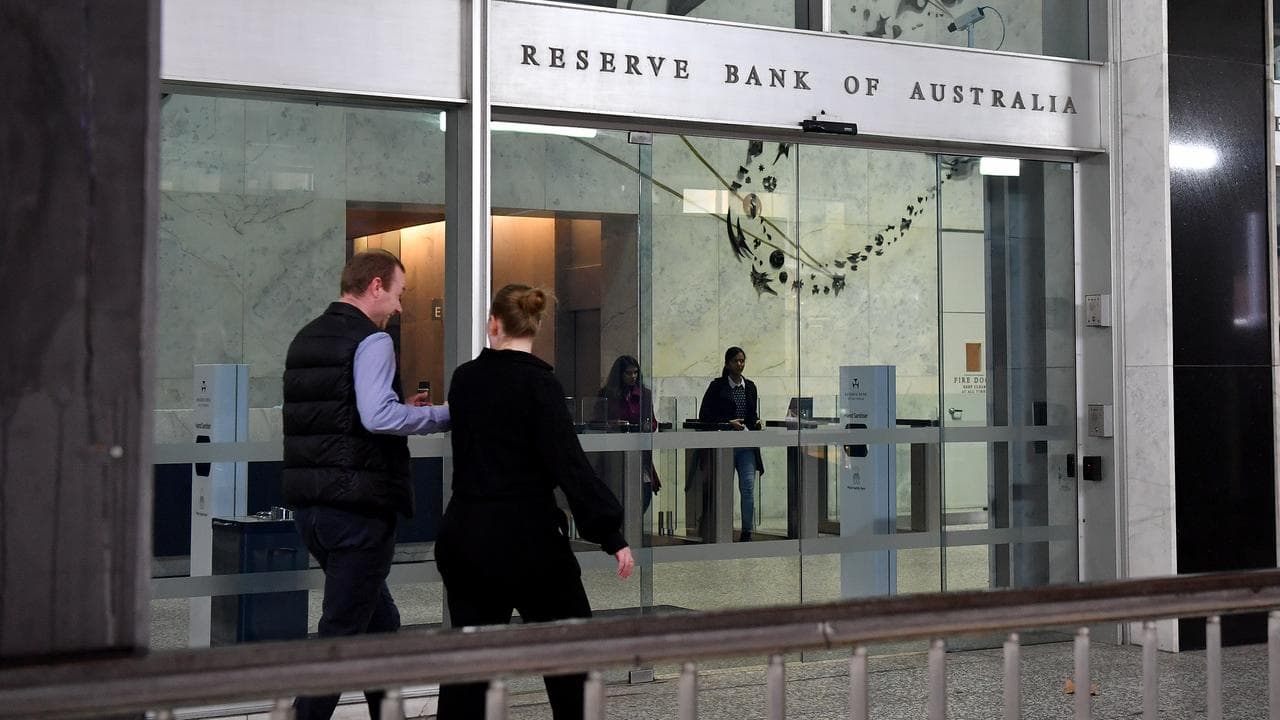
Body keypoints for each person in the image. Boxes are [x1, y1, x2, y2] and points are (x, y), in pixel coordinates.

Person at [437, 284, 634, 720]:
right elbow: (569, 464)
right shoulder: (541, 385)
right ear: (537, 325)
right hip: (529, 537)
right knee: (571, 661)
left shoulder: (464, 380)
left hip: (467, 533)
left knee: (469, 668)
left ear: (493, 323)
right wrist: (610, 532)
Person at [281, 249, 451, 720]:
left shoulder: (306, 338)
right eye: (398, 294)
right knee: (341, 636)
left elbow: (336, 415)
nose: (399, 306)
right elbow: (377, 417)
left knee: (380, 623)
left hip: (312, 511)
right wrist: (441, 415)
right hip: (358, 511)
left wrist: (401, 407)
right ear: (376, 285)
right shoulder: (372, 341)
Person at [698, 346, 765, 542]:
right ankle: (722, 529)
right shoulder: (717, 386)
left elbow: (751, 414)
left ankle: (747, 531)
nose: (740, 364)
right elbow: (705, 416)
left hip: (746, 445)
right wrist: (728, 423)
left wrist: (756, 421)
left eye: (742, 360)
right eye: (736, 361)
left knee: (748, 488)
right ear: (727, 364)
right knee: (724, 488)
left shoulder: (750, 386)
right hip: (725, 445)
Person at [596, 354, 662, 514]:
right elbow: (596, 422)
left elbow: (652, 421)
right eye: (628, 373)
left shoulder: (644, 394)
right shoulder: (606, 394)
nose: (633, 376)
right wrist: (612, 424)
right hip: (614, 452)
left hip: (639, 452)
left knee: (644, 494)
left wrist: (645, 426)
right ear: (619, 374)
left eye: (635, 372)